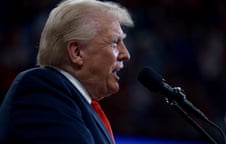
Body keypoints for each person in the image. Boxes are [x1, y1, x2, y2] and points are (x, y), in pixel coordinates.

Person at [0, 0, 134, 143]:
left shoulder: (78, 105)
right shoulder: (41, 92)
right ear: (77, 52)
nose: (126, 54)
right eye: (115, 42)